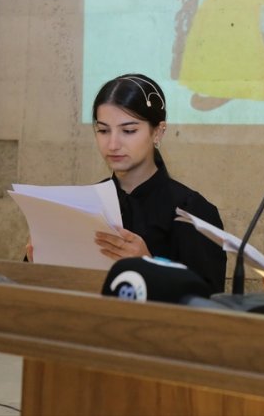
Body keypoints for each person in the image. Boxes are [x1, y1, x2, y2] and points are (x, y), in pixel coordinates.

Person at [88, 73, 226, 292]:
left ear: (158, 132)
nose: (112, 144)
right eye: (103, 130)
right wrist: (39, 259)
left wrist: (149, 264)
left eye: (129, 131)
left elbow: (209, 300)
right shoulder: (87, 201)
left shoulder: (191, 212)